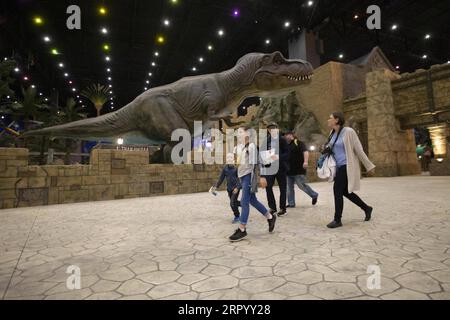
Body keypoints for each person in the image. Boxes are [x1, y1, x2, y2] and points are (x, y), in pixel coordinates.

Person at [325, 112, 376, 229]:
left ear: (337, 120)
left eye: (330, 118)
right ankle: (367, 208)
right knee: (345, 192)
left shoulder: (348, 132)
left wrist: (369, 165)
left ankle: (337, 219)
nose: (328, 120)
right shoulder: (332, 133)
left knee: (337, 190)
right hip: (337, 167)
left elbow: (359, 149)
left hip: (346, 165)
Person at [229, 125, 277, 242]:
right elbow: (239, 164)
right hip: (242, 177)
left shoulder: (251, 146)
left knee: (245, 202)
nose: (238, 134)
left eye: (240, 132)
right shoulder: (238, 147)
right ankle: (270, 217)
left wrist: (261, 177)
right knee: (252, 200)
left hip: (249, 177)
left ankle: (242, 229)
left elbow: (256, 164)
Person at [261, 122, 290, 217]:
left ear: (277, 129)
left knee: (283, 188)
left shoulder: (282, 140)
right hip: (269, 168)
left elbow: (287, 153)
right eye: (270, 129)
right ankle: (272, 208)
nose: (271, 130)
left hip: (281, 168)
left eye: (273, 128)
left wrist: (278, 157)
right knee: (268, 188)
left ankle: (283, 208)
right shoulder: (266, 140)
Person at [284, 131, 319, 208]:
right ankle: (291, 203)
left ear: (292, 135)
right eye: (285, 135)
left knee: (302, 185)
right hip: (288, 170)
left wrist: (305, 162)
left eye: (288, 135)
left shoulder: (299, 143)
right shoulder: (285, 145)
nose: (286, 136)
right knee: (289, 188)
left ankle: (314, 195)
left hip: (298, 169)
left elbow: (305, 152)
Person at [211, 153, 242, 224]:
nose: (229, 159)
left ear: (233, 159)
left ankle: (237, 216)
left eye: (231, 158)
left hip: (236, 189)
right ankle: (243, 204)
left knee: (232, 203)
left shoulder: (236, 168)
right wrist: (216, 186)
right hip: (229, 189)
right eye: (228, 158)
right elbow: (221, 179)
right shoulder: (225, 169)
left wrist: (237, 187)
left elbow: (240, 179)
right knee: (234, 202)